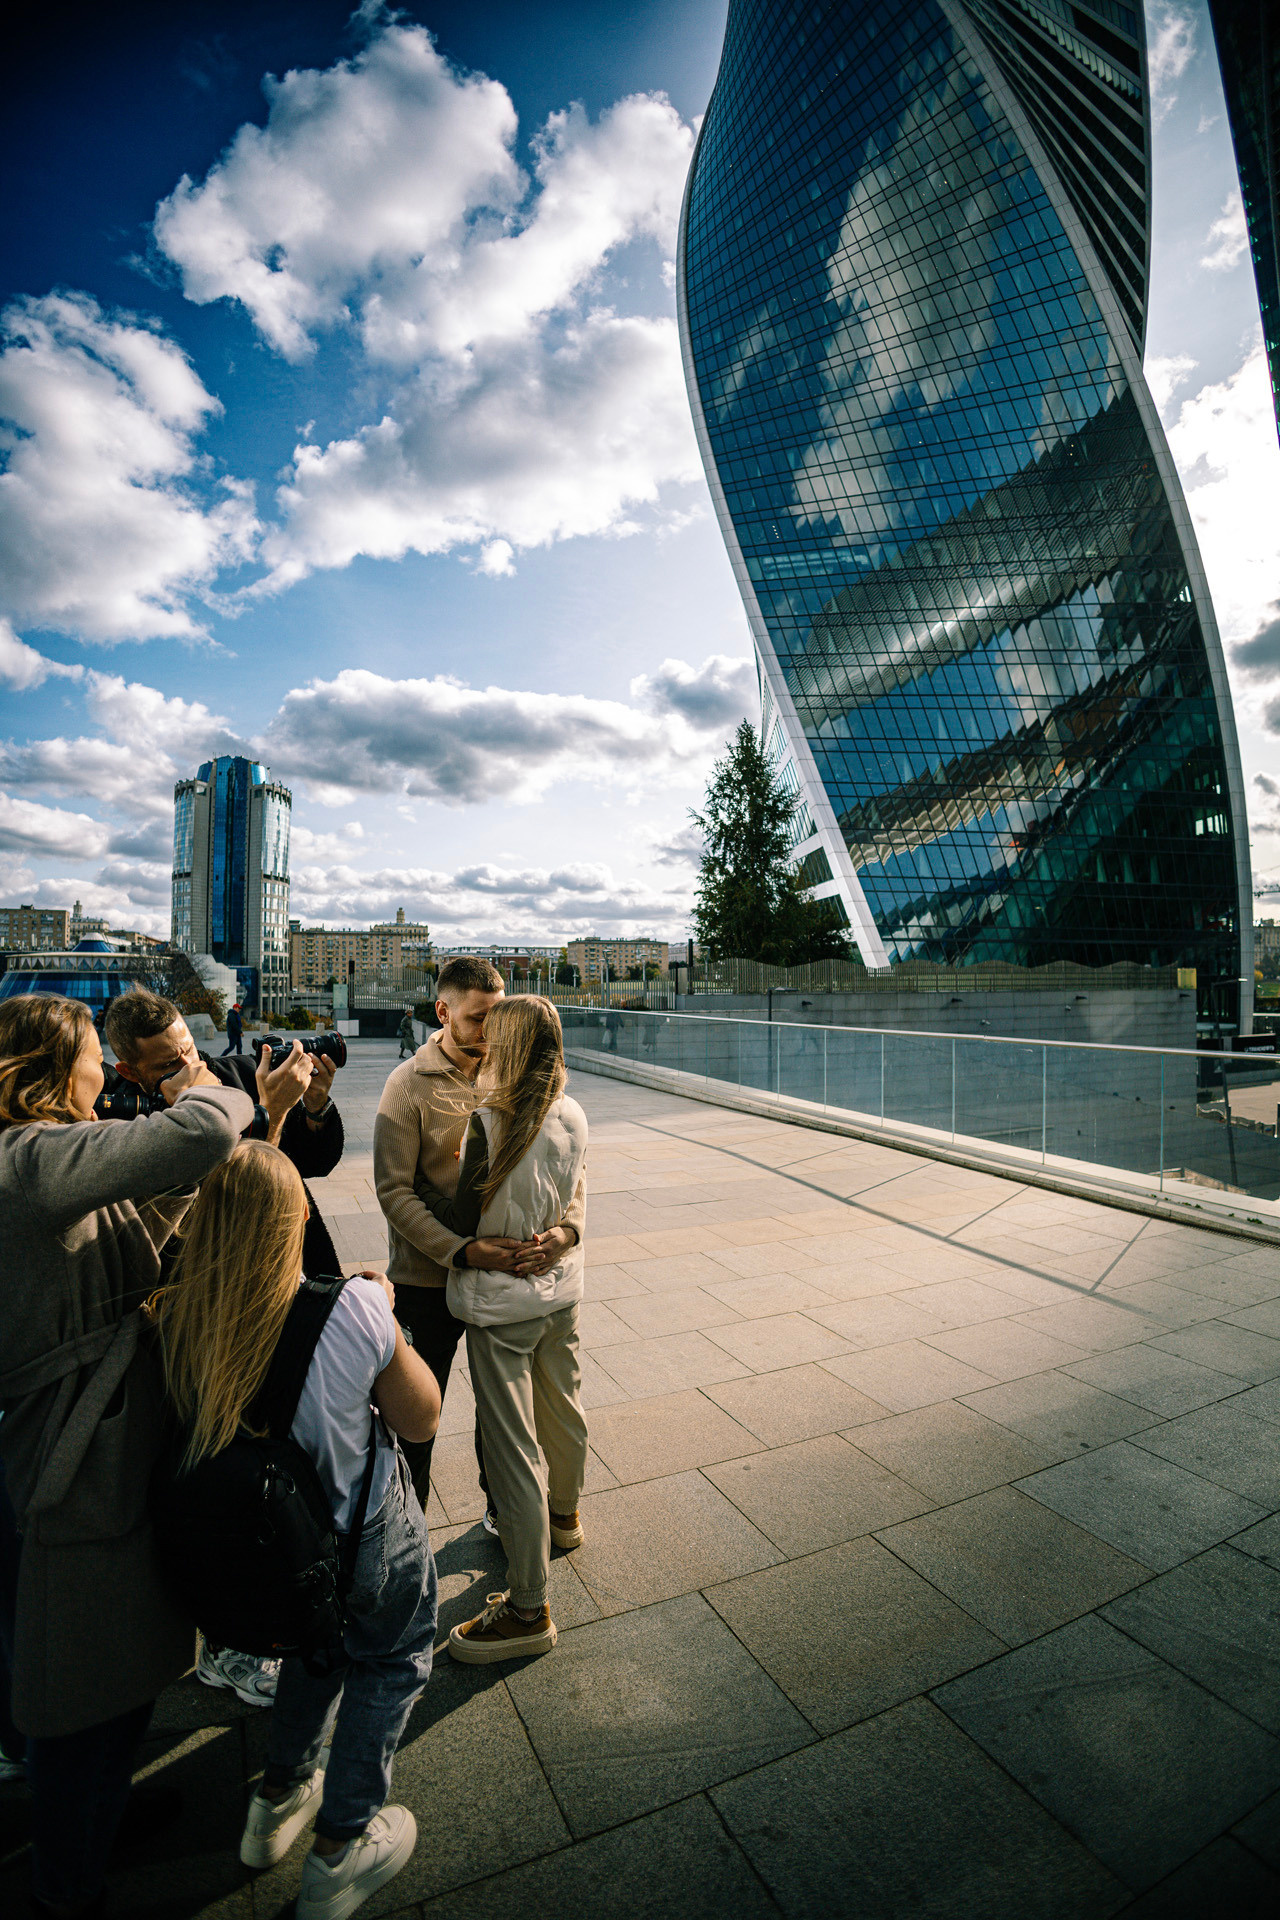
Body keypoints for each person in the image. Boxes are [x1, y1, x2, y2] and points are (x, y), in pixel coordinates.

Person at [0, 992, 253, 1919]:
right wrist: (209, 1084)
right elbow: (198, 1136)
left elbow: (130, 1223)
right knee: (75, 1684)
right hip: (74, 1452)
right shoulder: (26, 1158)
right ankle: (68, 1881)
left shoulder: (43, 1160)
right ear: (57, 1068)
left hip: (93, 1434)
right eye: (94, 1056)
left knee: (103, 1663)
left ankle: (100, 1810)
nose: (107, 1070)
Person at [154, 1141, 441, 1919]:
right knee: (391, 1660)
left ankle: (276, 1799)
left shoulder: (173, 1314)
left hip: (266, 1551)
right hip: (358, 1534)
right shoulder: (345, 1307)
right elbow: (422, 1415)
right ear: (294, 1222)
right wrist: (384, 1317)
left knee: (317, 1650)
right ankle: (341, 1847)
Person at [103, 988, 340, 1708]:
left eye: (188, 1047)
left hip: (289, 1279)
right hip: (206, 1311)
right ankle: (232, 1642)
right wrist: (266, 1116)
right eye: (168, 1062)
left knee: (288, 1457)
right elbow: (209, 1212)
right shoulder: (121, 1121)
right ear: (129, 1069)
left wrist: (316, 1107)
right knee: (228, 1475)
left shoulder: (239, 1072)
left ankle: (285, 1596)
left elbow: (315, 1162)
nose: (187, 1064)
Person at [374, 957, 585, 1514]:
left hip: (508, 1283)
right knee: (419, 1414)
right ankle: (408, 1522)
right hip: (427, 1279)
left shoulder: (519, 1077)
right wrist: (460, 1250)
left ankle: (503, 1508)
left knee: (503, 1412)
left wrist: (569, 1230)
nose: (492, 1033)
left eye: (500, 1017)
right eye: (477, 1019)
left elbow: (572, 1167)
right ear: (442, 1011)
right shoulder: (406, 1085)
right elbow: (395, 1193)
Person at [413, 996, 589, 1662]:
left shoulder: (490, 1121)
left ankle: (527, 1609)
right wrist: (561, 1237)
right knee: (565, 1409)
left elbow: (460, 1217)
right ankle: (566, 1519)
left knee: (511, 1447)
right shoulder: (572, 1111)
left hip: (503, 1303)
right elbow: (576, 1196)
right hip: (559, 1292)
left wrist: (433, 1174)